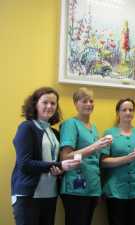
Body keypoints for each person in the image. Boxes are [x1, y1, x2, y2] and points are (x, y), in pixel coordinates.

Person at [11, 87, 80, 225]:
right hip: (29, 196)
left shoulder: (54, 132)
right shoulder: (27, 127)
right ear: (35, 104)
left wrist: (59, 170)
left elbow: (54, 163)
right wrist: (58, 165)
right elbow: (25, 164)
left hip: (50, 194)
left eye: (53, 103)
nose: (49, 106)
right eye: (45, 102)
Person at [59, 87, 112, 225]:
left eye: (91, 101)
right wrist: (95, 146)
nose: (89, 104)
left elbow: (95, 159)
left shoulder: (93, 127)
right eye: (84, 101)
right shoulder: (70, 124)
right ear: (76, 103)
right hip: (76, 188)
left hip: (92, 187)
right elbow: (66, 157)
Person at [101, 98, 135, 225]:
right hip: (116, 190)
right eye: (124, 110)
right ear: (118, 113)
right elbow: (103, 162)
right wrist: (126, 159)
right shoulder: (109, 133)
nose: (128, 112)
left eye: (131, 110)